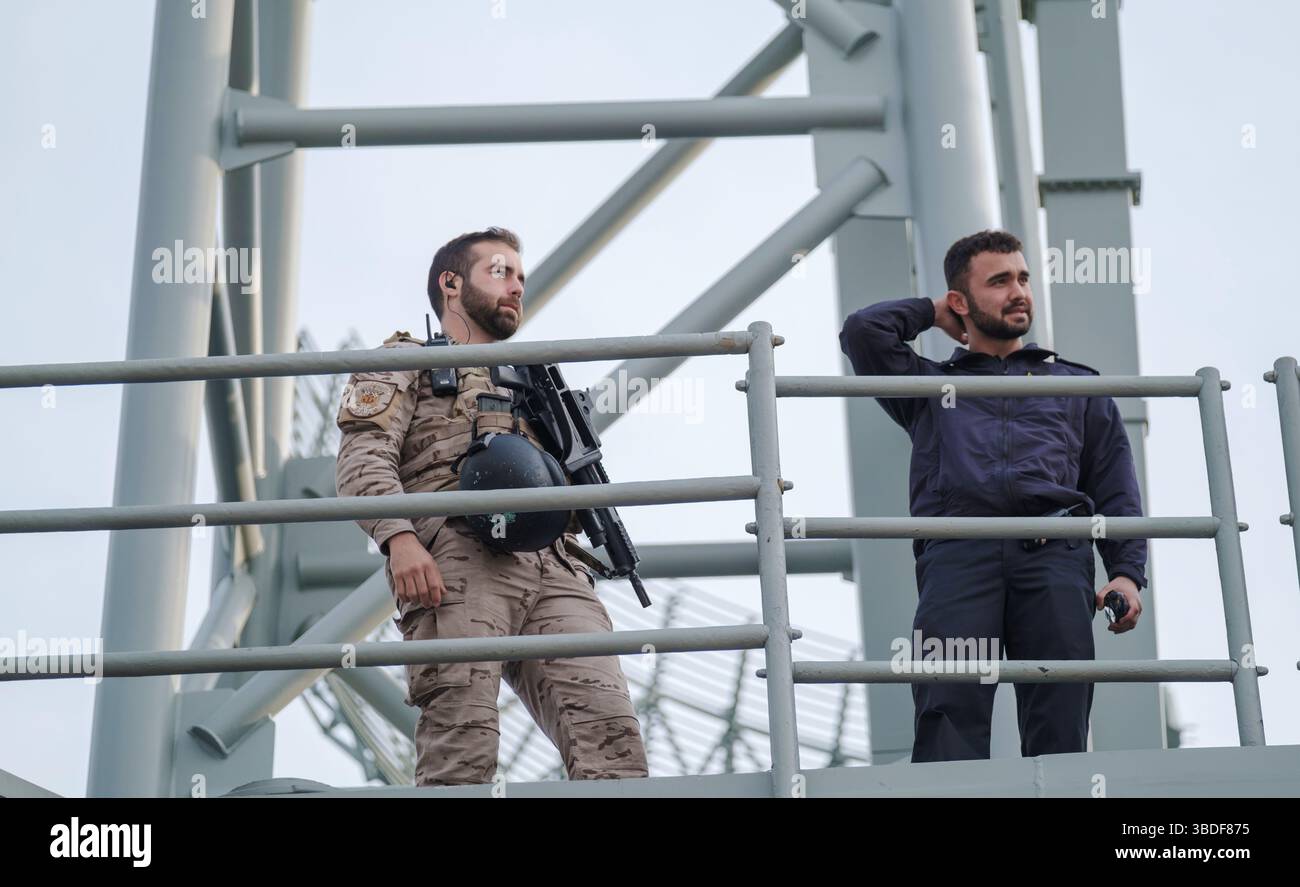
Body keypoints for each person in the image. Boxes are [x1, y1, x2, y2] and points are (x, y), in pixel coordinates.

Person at [335, 226, 648, 786]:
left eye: (522, 279)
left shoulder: (533, 381)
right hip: (455, 557)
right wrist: (399, 539)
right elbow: (363, 460)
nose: (516, 288)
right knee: (462, 745)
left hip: (553, 565)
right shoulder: (406, 359)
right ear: (451, 284)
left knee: (613, 743)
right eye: (500, 272)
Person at [838, 229, 1147, 762]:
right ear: (962, 300)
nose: (1019, 291)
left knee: (1061, 716)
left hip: (1054, 557)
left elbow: (1115, 487)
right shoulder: (928, 389)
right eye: (999, 281)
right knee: (947, 709)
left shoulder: (1077, 386)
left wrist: (1126, 571)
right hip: (960, 556)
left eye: (1023, 278)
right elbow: (864, 332)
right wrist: (935, 311)